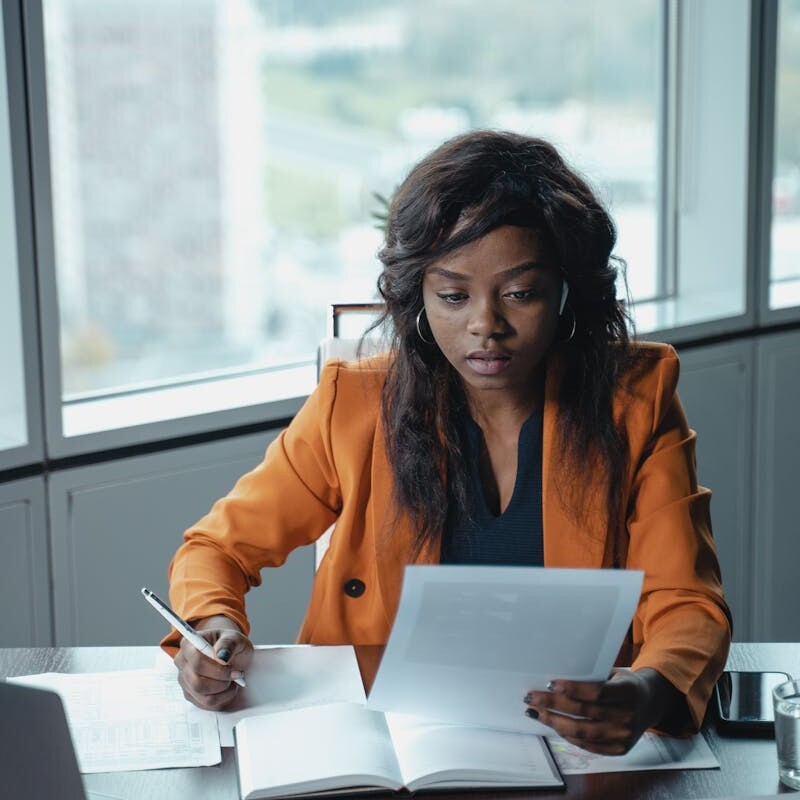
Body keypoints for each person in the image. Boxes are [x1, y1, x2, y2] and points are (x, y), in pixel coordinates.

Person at [162, 130, 731, 755]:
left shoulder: (635, 402)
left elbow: (685, 600)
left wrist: (648, 691)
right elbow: (216, 548)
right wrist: (209, 628)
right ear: (418, 297)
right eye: (454, 296)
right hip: (373, 741)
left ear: (568, 289)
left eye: (521, 293)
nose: (486, 325)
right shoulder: (352, 405)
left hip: (571, 741)